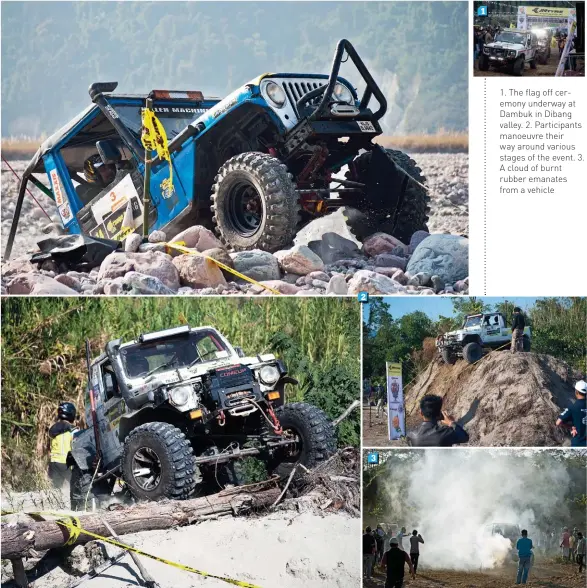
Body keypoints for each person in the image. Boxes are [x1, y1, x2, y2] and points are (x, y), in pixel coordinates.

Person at [48, 402, 77, 491]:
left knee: (56, 490)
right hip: (65, 463)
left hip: (53, 463)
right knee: (77, 486)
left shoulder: (53, 429)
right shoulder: (72, 429)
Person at [556, 380, 587, 447]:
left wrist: (571, 427)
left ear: (576, 392)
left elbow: (558, 422)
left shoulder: (572, 407)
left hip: (578, 444)